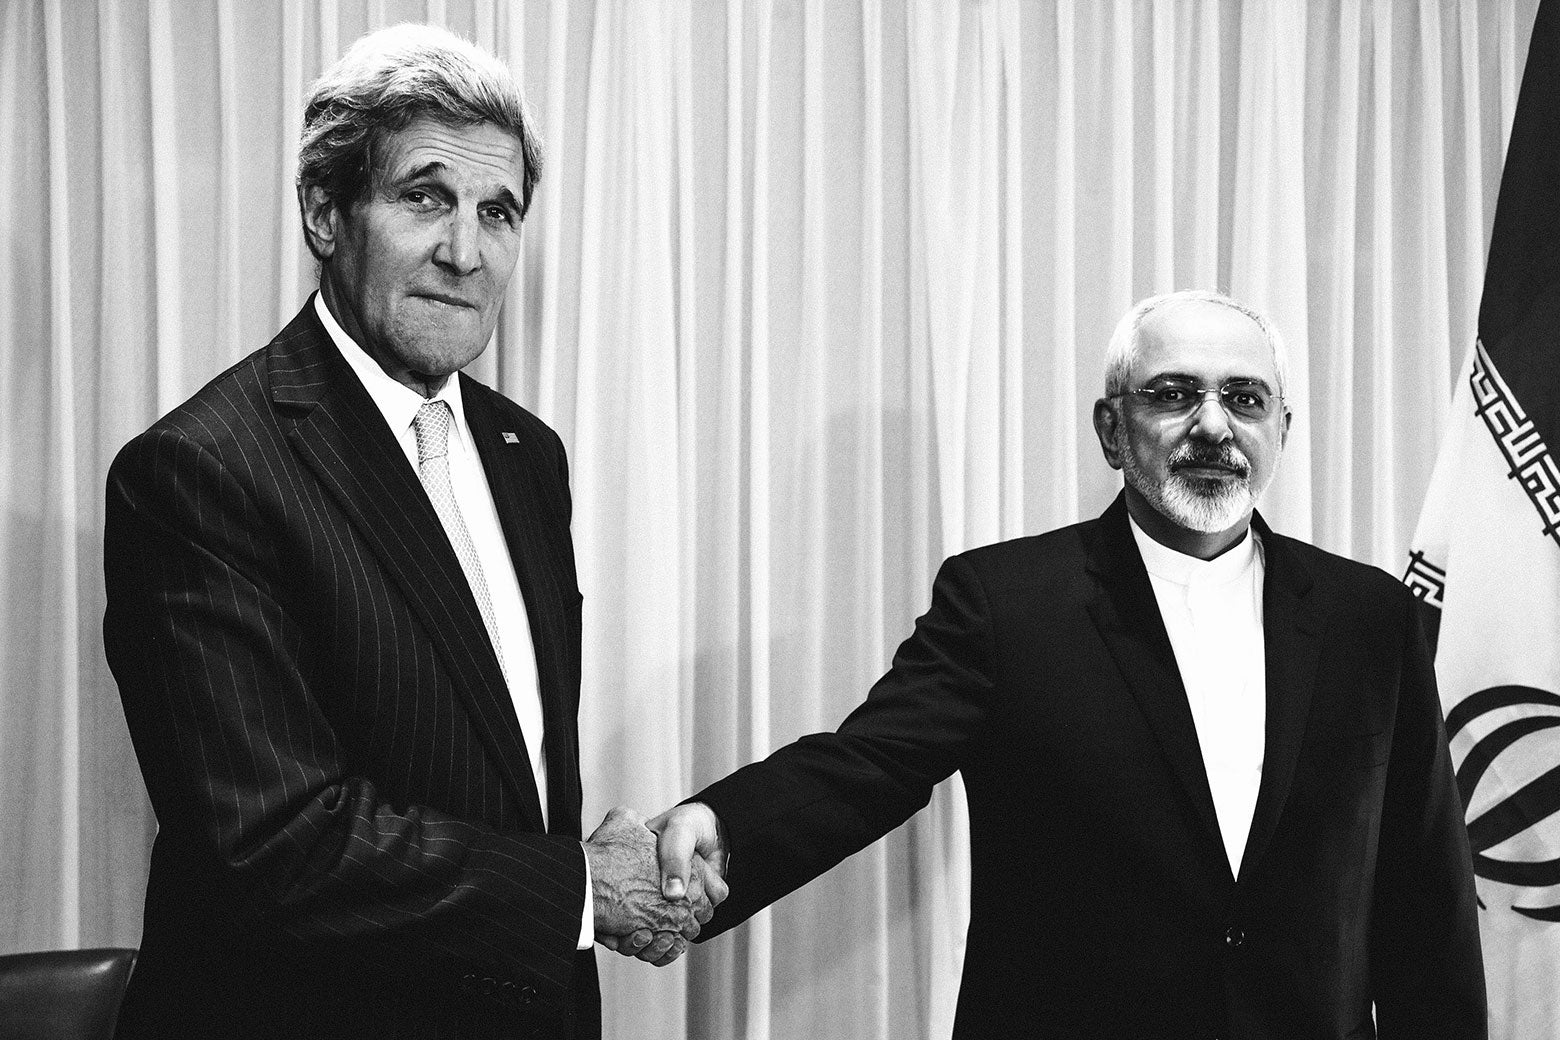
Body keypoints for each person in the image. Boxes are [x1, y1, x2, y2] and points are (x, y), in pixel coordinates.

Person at [648, 291, 1487, 1038]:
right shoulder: (1005, 603)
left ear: (1282, 430)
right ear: (1111, 430)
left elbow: (1425, 901)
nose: (1213, 424)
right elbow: (867, 766)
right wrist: (722, 827)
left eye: (1244, 398)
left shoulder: (1372, 619)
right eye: (1173, 394)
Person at [103, 25, 716, 1040]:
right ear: (324, 212)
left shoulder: (529, 452)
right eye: (425, 196)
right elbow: (276, 846)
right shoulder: (202, 469)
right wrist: (577, 890)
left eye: (499, 211)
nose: (465, 251)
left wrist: (602, 865)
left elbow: (495, 761)